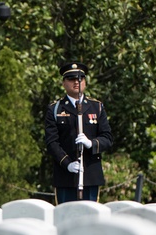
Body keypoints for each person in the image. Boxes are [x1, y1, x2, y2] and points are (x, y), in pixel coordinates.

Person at [44, 61, 113, 204]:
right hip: (65, 177)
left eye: (80, 78)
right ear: (64, 83)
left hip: (90, 175)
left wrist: (91, 143)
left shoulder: (96, 107)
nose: (76, 82)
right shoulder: (55, 109)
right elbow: (52, 142)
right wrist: (67, 163)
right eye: (71, 79)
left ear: (85, 82)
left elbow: (107, 138)